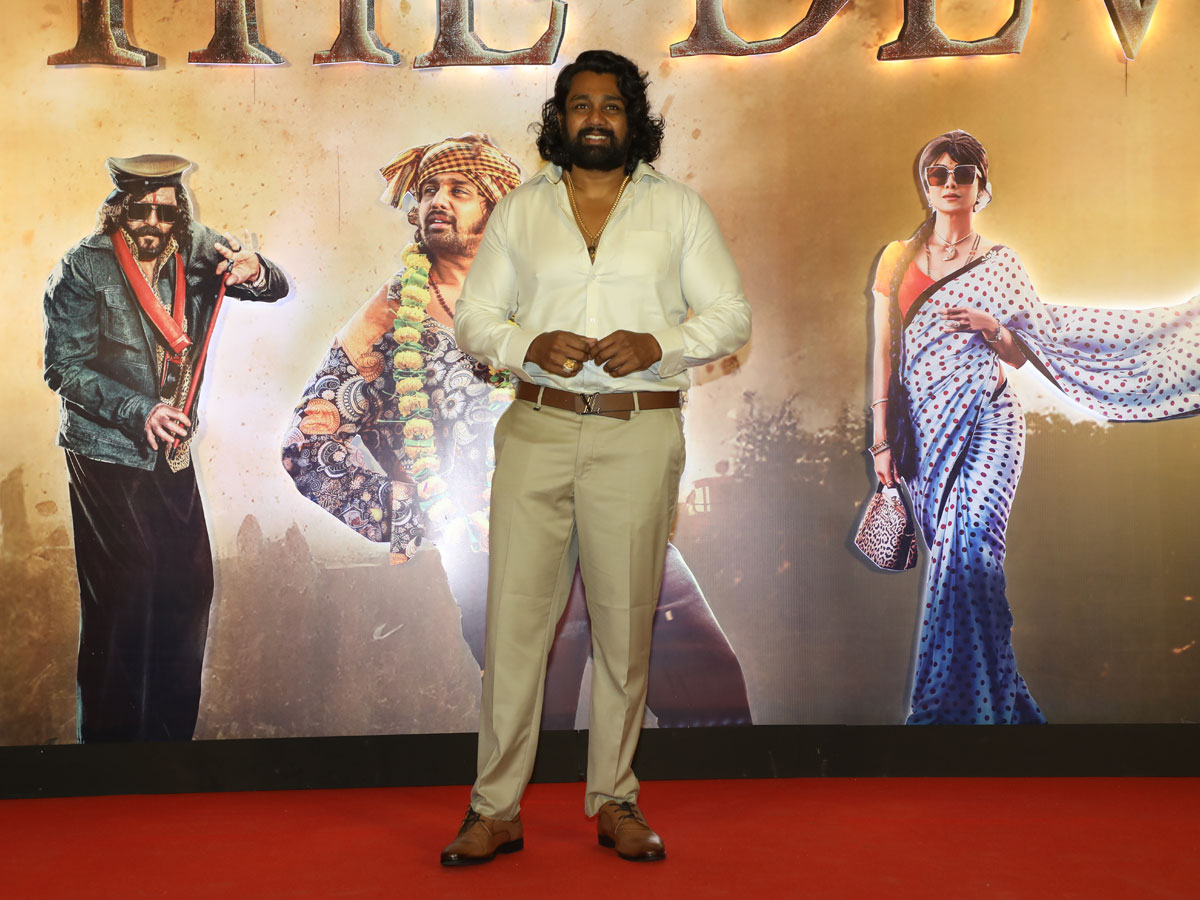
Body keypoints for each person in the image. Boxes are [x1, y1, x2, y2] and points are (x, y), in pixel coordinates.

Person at [282, 135, 751, 731]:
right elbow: (306, 444)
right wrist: (410, 512)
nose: (437, 202)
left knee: (713, 709)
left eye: (459, 189)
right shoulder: (388, 319)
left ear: (498, 204)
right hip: (496, 560)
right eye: (428, 191)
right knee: (535, 737)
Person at [441, 50, 751, 865]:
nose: (596, 118)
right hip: (537, 429)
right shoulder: (520, 211)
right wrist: (527, 345)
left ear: (632, 118)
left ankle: (615, 801)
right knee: (515, 627)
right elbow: (475, 320)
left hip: (637, 433)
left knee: (623, 626)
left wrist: (659, 344)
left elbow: (730, 316)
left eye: (611, 105)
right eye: (580, 104)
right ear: (560, 118)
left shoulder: (677, 209)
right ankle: (494, 810)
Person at [868, 130, 1200, 725]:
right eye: (939, 173)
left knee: (975, 551)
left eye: (962, 173)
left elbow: (1025, 352)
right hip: (923, 435)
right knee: (955, 566)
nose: (950, 183)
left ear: (981, 187)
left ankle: (947, 713)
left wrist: (992, 326)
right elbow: (883, 352)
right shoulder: (896, 259)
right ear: (926, 184)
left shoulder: (1002, 265)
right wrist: (879, 440)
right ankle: (1006, 718)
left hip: (989, 421)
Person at [43, 154, 289, 741]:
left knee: (187, 588)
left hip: (169, 450)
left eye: (166, 211)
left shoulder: (197, 246)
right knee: (126, 598)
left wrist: (256, 271)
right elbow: (64, 369)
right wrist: (140, 410)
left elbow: (274, 287)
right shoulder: (82, 267)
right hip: (106, 451)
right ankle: (111, 754)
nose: (153, 222)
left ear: (180, 211)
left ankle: (169, 749)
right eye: (140, 211)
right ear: (118, 210)